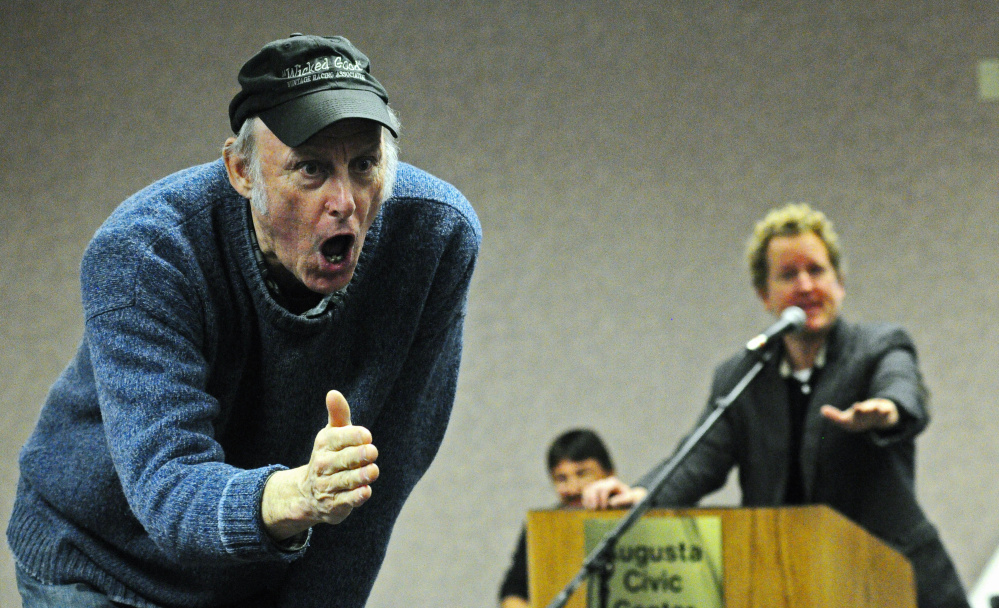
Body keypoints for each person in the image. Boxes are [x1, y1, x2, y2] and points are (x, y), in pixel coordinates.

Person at [7, 33, 481, 608]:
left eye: (364, 165)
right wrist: (298, 494)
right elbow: (169, 489)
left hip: (256, 568)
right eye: (310, 169)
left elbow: (380, 480)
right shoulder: (146, 252)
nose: (345, 201)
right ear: (240, 170)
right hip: (102, 560)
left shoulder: (432, 237)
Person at [582, 203, 969, 608]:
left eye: (817, 271)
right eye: (788, 275)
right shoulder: (741, 375)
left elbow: (902, 387)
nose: (805, 285)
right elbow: (698, 460)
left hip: (894, 581)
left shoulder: (877, 347)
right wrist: (641, 493)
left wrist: (888, 410)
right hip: (788, 583)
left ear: (839, 282)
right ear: (765, 295)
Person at [499, 429, 615, 608]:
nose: (573, 488)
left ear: (609, 473)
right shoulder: (543, 527)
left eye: (582, 473)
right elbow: (514, 591)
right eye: (562, 478)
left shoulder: (634, 519)